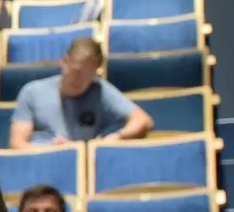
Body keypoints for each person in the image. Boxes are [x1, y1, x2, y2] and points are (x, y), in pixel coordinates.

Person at [12, 39, 154, 148]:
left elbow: (143, 120)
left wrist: (118, 137)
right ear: (64, 62)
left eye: (88, 74)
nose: (80, 80)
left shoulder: (100, 90)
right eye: (76, 71)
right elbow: (17, 144)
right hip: (40, 163)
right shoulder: (32, 92)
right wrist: (51, 150)